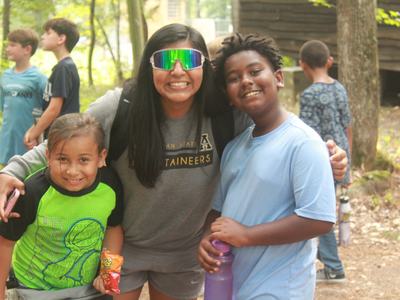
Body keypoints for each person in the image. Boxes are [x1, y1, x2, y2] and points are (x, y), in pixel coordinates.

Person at [0, 24, 348, 300]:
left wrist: (325, 153)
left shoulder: (224, 115)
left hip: (185, 256)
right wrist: (10, 171)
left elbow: (276, 133)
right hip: (123, 249)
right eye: (166, 61)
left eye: (190, 61)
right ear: (150, 65)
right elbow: (65, 140)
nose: (178, 71)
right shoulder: (120, 107)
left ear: (204, 68)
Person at [197, 33, 337, 299]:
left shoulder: (303, 142)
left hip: (280, 287)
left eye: (255, 71)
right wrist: (206, 236)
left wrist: (247, 235)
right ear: (228, 95)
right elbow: (218, 209)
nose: (246, 81)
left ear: (279, 78)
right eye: (234, 78)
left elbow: (319, 220)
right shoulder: (235, 147)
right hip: (234, 283)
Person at [0, 113, 123, 300]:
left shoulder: (110, 185)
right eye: (63, 159)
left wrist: (108, 272)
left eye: (83, 160)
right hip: (31, 290)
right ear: (48, 156)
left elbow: (113, 228)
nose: (72, 171)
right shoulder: (30, 192)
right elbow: (5, 242)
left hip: (87, 290)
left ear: (100, 157)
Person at [299, 40, 352, 283]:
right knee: (325, 213)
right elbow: (347, 125)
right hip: (342, 158)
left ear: (303, 65)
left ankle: (333, 267)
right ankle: (330, 263)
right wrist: (348, 163)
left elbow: (308, 135)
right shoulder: (339, 88)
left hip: (323, 163)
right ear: (329, 61)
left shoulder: (309, 95)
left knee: (321, 216)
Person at [24, 18, 80, 150]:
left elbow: (54, 109)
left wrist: (33, 133)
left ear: (61, 39)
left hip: (62, 137)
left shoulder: (64, 68)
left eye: (48, 33)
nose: (43, 37)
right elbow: (48, 106)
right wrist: (35, 128)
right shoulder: (63, 67)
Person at [0, 28, 47, 167]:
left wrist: (36, 133)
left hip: (29, 141)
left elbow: (47, 110)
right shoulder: (5, 76)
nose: (8, 49)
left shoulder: (39, 78)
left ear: (27, 49)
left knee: (27, 177)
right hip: (7, 138)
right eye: (7, 45)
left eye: (13, 45)